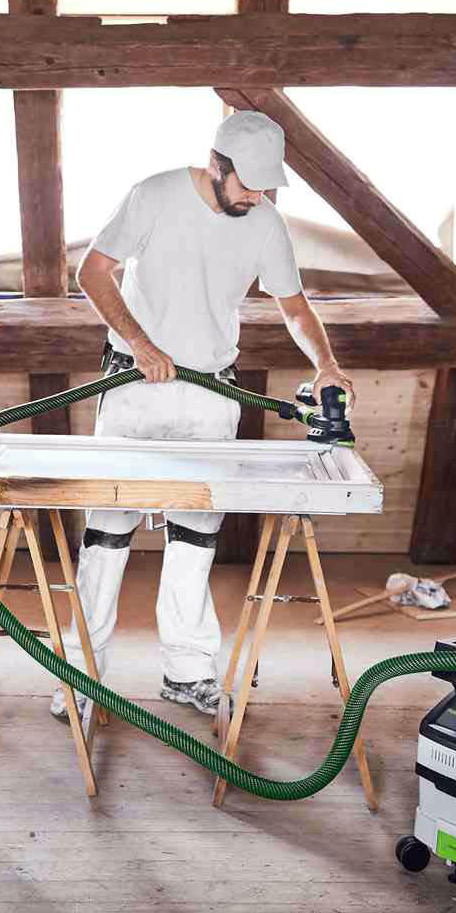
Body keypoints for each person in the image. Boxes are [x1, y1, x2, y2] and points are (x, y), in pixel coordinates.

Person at [52, 110, 356, 722]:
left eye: (267, 187)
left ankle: (188, 673)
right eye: (247, 184)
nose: (257, 197)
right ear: (217, 163)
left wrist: (326, 364)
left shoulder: (264, 221)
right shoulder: (154, 195)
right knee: (107, 534)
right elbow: (92, 271)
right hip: (136, 384)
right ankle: (81, 678)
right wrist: (141, 343)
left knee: (195, 538)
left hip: (212, 393)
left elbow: (295, 306)